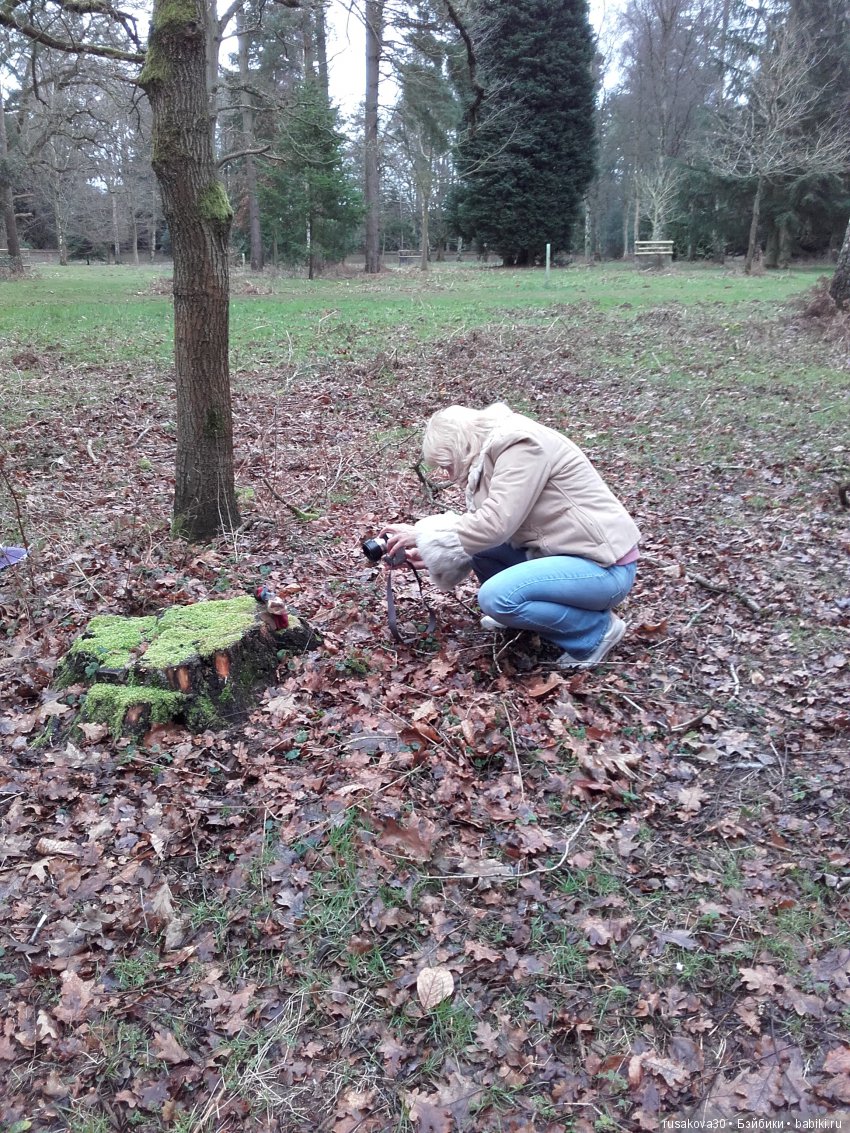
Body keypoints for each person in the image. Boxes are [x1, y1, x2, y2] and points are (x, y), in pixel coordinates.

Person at [383, 402, 640, 670]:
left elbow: (495, 524)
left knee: (496, 598)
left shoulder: (520, 444)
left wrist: (424, 535)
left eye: (447, 465)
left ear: (461, 447)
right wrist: (433, 552)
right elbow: (483, 531)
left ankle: (596, 631)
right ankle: (524, 617)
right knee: (482, 552)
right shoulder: (493, 454)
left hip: (604, 568)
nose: (448, 475)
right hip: (567, 556)